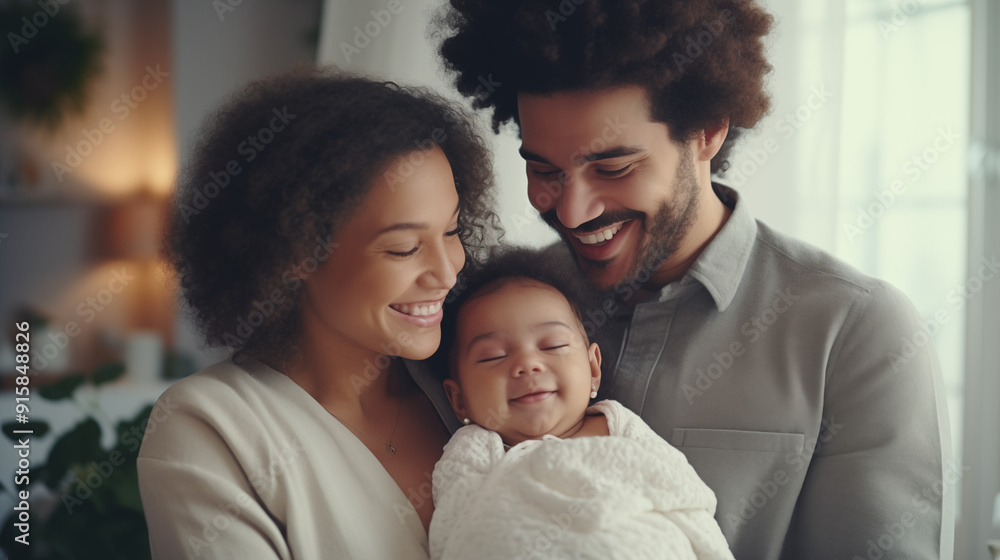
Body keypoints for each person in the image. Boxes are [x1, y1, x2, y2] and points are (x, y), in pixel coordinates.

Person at [419, 1, 954, 558]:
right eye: (545, 170)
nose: (573, 212)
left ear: (706, 132)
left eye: (614, 168)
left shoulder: (854, 330)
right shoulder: (493, 311)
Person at [138, 66, 499, 559]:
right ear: (293, 253)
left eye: (453, 231)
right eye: (403, 248)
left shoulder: (478, 375)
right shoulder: (209, 426)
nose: (446, 270)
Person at [427, 247, 734, 560]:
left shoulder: (619, 427)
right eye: (494, 356)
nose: (528, 364)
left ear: (593, 369)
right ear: (459, 400)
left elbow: (684, 497)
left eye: (553, 345)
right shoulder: (473, 451)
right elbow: (454, 531)